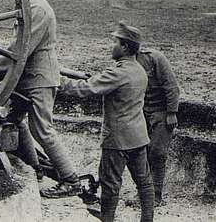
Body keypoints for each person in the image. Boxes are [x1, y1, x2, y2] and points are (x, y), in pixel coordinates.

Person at [0, 0, 81, 198]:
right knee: (15, 120)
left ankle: (71, 181)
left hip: (40, 77)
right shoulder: (30, 6)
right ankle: (35, 170)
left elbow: (20, 50)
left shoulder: (39, 9)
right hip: (26, 77)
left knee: (43, 130)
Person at [59, 22, 155, 222]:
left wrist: (57, 82)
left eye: (115, 42)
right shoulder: (139, 71)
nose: (112, 46)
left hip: (117, 139)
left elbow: (86, 89)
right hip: (138, 136)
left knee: (110, 185)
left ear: (125, 47)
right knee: (144, 183)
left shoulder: (118, 73)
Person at [136, 48, 180, 206]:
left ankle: (156, 196)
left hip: (162, 111)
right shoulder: (126, 61)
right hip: (142, 111)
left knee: (158, 153)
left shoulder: (155, 59)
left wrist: (172, 112)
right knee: (143, 153)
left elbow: (171, 86)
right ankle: (143, 195)